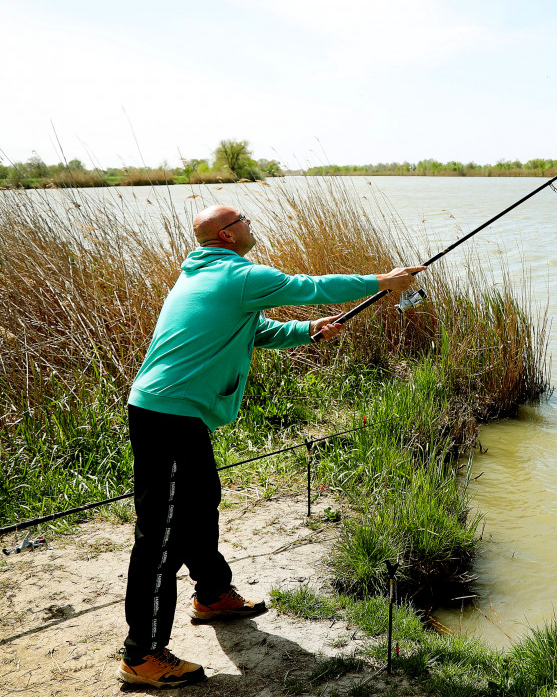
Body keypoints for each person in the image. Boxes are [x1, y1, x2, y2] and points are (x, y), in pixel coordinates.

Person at [118, 204, 424, 688]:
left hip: (174, 413)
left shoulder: (205, 273)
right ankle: (142, 655)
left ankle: (212, 595)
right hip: (167, 416)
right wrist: (383, 281)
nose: (250, 224)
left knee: (201, 504)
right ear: (226, 234)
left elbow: (255, 330)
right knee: (160, 537)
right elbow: (311, 287)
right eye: (243, 219)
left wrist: (308, 330)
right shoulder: (239, 275)